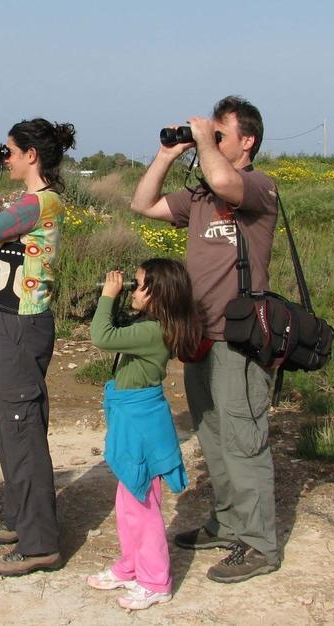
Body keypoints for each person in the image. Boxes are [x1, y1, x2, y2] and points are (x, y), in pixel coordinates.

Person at [129, 96, 281, 583]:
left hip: (240, 338)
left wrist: (202, 139)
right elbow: (143, 203)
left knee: (244, 441)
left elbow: (223, 179)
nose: (211, 141)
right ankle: (228, 521)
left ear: (248, 141)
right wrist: (168, 154)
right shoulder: (197, 198)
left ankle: (258, 544)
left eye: (222, 134)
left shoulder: (258, 188)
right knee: (214, 439)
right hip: (200, 337)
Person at [0, 118, 76, 576]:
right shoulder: (31, 203)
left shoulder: (37, 204)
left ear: (31, 155)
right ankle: (22, 520)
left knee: (21, 428)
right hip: (15, 321)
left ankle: (40, 542)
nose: (3, 158)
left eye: (8, 152)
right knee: (12, 425)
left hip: (22, 326)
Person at [87, 258, 204, 610]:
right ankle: (131, 566)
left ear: (158, 295)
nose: (132, 290)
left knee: (144, 505)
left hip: (140, 421)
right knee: (128, 503)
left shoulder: (152, 332)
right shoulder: (152, 325)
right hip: (131, 415)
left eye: (138, 285)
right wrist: (124, 298)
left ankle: (155, 581)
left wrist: (108, 297)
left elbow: (101, 336)